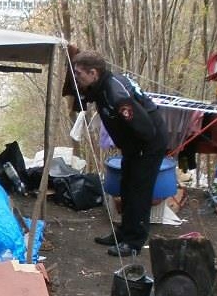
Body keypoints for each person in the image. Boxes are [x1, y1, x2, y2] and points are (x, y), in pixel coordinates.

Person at [72, 50, 168, 257]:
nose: (76, 78)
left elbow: (145, 128)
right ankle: (123, 233)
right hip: (134, 146)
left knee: (139, 191)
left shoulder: (116, 93)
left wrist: (137, 150)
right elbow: (91, 96)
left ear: (93, 73)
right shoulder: (100, 86)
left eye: (79, 74)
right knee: (126, 187)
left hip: (148, 143)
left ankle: (134, 242)